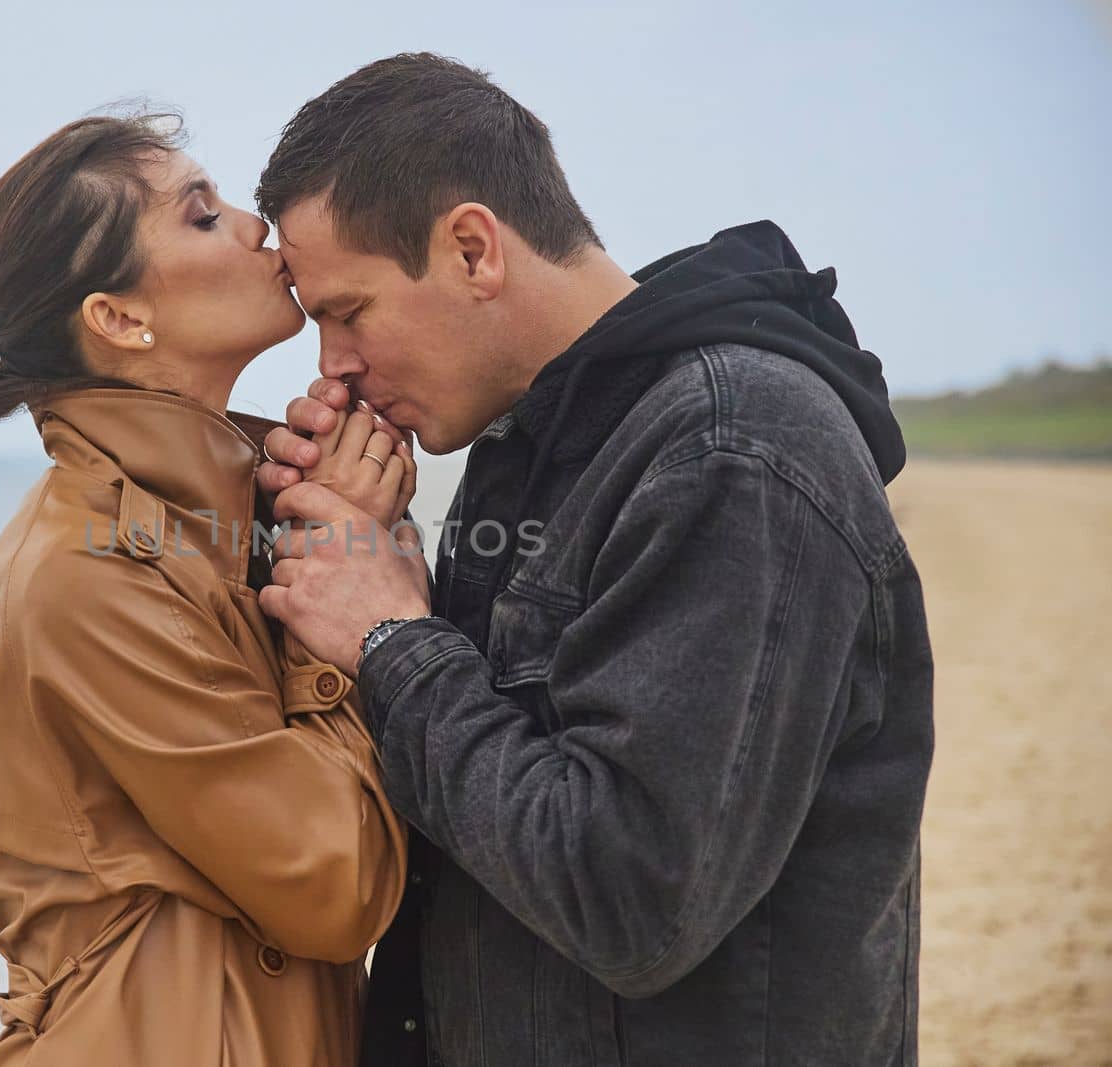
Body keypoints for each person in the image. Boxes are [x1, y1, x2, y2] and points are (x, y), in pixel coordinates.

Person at [254, 54, 935, 1066]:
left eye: (345, 311)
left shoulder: (728, 449)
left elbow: (632, 897)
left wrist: (391, 636)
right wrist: (366, 549)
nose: (330, 365)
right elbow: (502, 780)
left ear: (473, 249)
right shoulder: (553, 438)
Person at [0, 113, 416, 1066]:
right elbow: (337, 880)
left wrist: (318, 528)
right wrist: (355, 599)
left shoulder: (202, 520)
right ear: (117, 317)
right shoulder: (89, 573)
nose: (254, 228)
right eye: (202, 218)